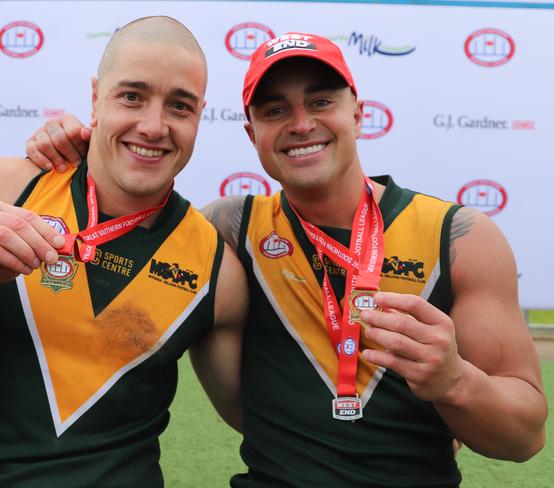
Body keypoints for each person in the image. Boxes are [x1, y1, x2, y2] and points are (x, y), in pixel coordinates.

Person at [27, 32, 547, 487]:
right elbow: (122, 206)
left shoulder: (458, 237)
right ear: (253, 135)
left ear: (357, 113)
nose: (301, 124)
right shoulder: (227, 231)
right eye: (275, 110)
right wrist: (75, 145)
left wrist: (456, 381)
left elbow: (524, 437)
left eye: (320, 101)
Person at [0, 16, 247, 487]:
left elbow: (258, 418)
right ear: (95, 98)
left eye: (179, 106)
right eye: (132, 96)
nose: (153, 126)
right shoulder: (3, 188)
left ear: (199, 116)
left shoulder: (216, 267)